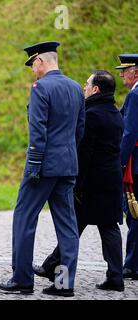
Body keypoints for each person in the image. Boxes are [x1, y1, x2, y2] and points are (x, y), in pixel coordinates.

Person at [0, 41, 85, 297]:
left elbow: (38, 131)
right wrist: (67, 156)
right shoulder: (76, 88)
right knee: (67, 227)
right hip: (67, 166)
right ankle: (63, 284)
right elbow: (80, 129)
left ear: (41, 62)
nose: (33, 70)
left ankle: (22, 279)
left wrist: (34, 164)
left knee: (24, 218)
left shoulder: (40, 87)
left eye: (33, 64)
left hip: (42, 166)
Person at [33, 70, 125, 291]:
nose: (83, 88)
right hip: (111, 178)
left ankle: (60, 279)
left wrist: (76, 182)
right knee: (108, 227)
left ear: (95, 90)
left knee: (70, 230)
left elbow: (84, 152)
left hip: (91, 182)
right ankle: (115, 277)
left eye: (87, 84)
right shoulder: (115, 112)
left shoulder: (91, 114)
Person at [116, 53, 138, 281]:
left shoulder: (135, 95)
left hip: (136, 164)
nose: (121, 74)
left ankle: (132, 265)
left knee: (134, 214)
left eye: (125, 70)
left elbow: (130, 132)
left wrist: (120, 161)